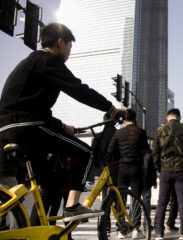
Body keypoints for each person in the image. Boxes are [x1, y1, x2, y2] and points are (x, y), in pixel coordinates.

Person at [0, 23, 122, 222]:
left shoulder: (31, 62)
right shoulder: (48, 60)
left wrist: (62, 127)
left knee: (49, 185)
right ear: (60, 42)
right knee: (86, 153)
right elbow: (78, 89)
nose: (69, 52)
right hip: (28, 128)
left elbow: (29, 106)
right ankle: (73, 206)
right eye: (69, 47)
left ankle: (33, 230)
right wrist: (110, 108)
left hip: (9, 128)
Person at [152, 108, 183, 240]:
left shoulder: (160, 130)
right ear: (179, 117)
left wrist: (158, 168)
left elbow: (155, 151)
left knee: (162, 202)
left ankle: (159, 233)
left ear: (167, 118)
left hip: (165, 170)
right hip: (181, 170)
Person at [106, 109, 148, 239]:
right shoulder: (141, 132)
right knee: (136, 199)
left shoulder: (118, 133)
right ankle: (135, 229)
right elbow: (145, 150)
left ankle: (122, 230)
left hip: (122, 169)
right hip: (136, 168)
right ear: (135, 119)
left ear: (123, 120)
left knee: (120, 201)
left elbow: (110, 150)